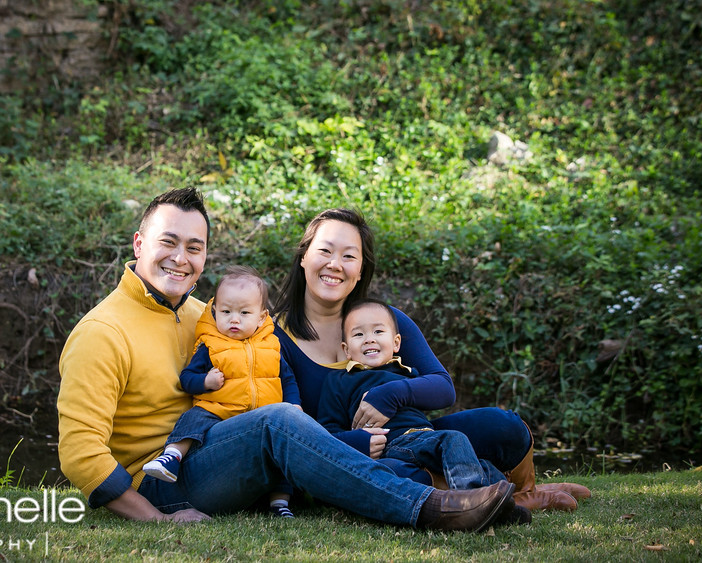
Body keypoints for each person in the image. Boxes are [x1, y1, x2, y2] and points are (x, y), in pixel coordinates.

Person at [57, 187, 519, 530]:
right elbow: (80, 454)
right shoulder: (103, 332)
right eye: (168, 242)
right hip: (164, 479)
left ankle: (501, 496)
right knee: (280, 419)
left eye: (194, 248)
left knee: (485, 427)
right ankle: (427, 508)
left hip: (218, 451)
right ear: (139, 244)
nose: (181, 258)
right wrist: (155, 517)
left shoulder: (207, 316)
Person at [273, 208, 591, 512]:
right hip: (354, 457)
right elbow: (281, 429)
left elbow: (442, 388)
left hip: (415, 436)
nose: (335, 264)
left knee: (504, 426)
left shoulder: (383, 321)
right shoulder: (272, 337)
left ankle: (522, 491)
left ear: (360, 271)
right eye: (325, 251)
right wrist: (356, 442)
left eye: (349, 256)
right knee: (392, 473)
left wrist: (389, 394)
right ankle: (484, 497)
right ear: (304, 257)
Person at [319, 298, 527, 525]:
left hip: (425, 438)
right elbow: (325, 433)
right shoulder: (340, 380)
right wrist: (359, 440)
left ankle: (505, 505)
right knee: (454, 439)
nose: (369, 339)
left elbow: (444, 391)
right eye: (358, 335)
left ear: (396, 342)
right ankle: (468, 504)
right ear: (346, 349)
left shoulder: (408, 372)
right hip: (394, 443)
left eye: (378, 331)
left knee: (483, 466)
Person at [142, 265, 300, 518]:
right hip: (219, 412)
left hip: (261, 414)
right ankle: (171, 456)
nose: (234, 319)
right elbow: (187, 378)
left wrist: (294, 405)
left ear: (261, 317)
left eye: (244, 313)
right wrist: (206, 381)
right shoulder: (210, 345)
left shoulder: (272, 346)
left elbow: (288, 379)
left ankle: (279, 503)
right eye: (226, 312)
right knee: (194, 418)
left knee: (278, 455)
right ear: (215, 311)